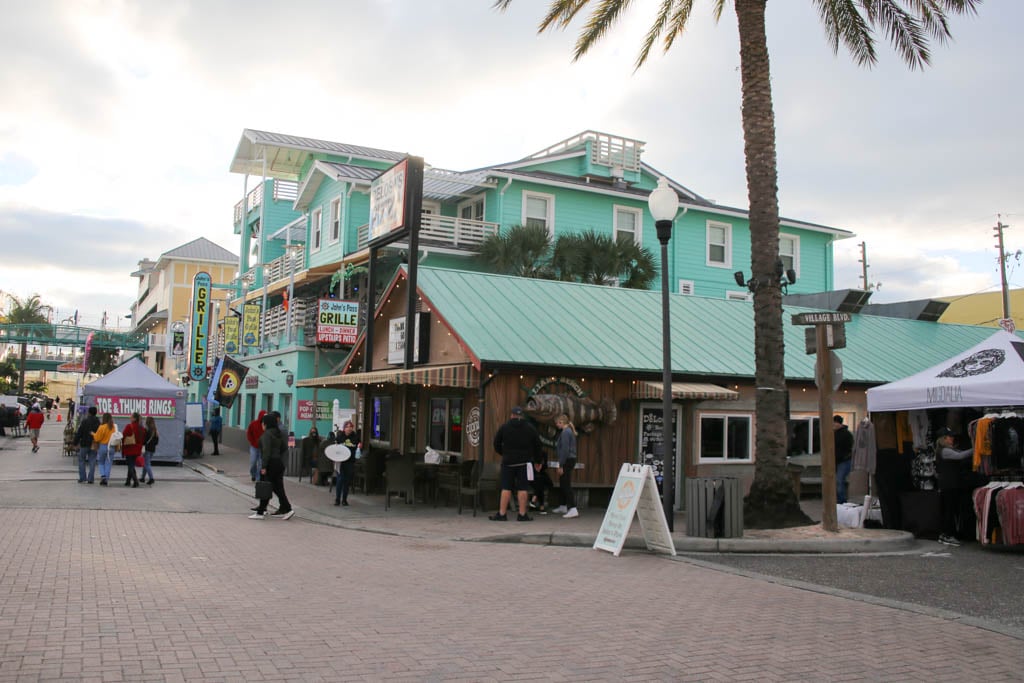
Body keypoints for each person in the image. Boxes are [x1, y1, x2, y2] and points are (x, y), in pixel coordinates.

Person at [490, 406, 543, 522]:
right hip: (524, 462)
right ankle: (522, 514)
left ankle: (502, 514)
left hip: (508, 462)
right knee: (523, 488)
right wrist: (538, 461)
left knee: (506, 487)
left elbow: (496, 443)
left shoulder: (505, 427)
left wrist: (504, 453)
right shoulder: (530, 428)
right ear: (522, 416)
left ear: (512, 415)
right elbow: (538, 446)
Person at [935, 427, 978, 547]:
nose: (952, 438)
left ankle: (947, 534)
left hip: (949, 485)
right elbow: (961, 456)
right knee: (949, 510)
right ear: (943, 439)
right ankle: (947, 535)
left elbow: (959, 453)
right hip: (948, 485)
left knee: (950, 510)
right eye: (950, 436)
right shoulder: (944, 451)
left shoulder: (947, 450)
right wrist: (976, 448)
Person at [250, 413, 294, 520]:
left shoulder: (267, 435)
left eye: (263, 423)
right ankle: (286, 508)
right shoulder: (277, 433)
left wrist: (264, 466)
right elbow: (284, 448)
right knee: (277, 487)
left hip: (270, 463)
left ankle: (261, 512)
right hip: (278, 462)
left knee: (266, 486)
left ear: (265, 424)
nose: (262, 425)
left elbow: (266, 452)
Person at [551, 414, 580, 518]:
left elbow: (564, 450)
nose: (556, 425)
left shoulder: (565, 432)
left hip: (567, 460)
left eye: (557, 423)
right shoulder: (568, 431)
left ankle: (573, 508)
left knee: (566, 483)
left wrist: (561, 464)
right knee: (563, 482)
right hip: (569, 459)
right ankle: (563, 505)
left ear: (561, 422)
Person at [334, 420, 361, 506]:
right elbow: (335, 448)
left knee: (347, 481)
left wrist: (359, 447)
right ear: (344, 428)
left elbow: (359, 448)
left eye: (350, 427)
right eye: (347, 427)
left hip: (350, 461)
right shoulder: (340, 436)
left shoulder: (355, 437)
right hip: (340, 462)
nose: (349, 428)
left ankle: (344, 499)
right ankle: (337, 499)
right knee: (340, 479)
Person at [75, 406, 100, 483]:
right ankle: (90, 478)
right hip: (94, 443)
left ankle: (82, 477)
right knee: (92, 460)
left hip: (84, 443)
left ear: (89, 412)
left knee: (81, 460)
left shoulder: (84, 421)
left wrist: (75, 442)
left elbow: (80, 432)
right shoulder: (98, 422)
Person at [93, 412, 118, 486]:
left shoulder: (102, 427)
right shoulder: (114, 427)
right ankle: (106, 478)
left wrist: (93, 434)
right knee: (108, 463)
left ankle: (103, 476)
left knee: (101, 462)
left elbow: (97, 438)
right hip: (112, 447)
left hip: (103, 446)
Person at [833, 415, 854, 504]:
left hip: (844, 461)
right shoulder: (834, 433)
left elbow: (850, 446)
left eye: (835, 422)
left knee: (839, 480)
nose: (833, 424)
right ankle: (838, 498)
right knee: (838, 480)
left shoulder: (846, 434)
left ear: (839, 423)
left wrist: (844, 456)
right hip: (837, 461)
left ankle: (841, 500)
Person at [121, 412, 145, 488]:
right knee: (131, 464)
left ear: (134, 418)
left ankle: (135, 481)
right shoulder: (142, 428)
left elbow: (123, 435)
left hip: (129, 448)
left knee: (130, 465)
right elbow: (143, 439)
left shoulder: (129, 426)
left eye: (131, 417)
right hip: (138, 449)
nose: (130, 418)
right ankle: (128, 481)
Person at [246, 410, 267, 482]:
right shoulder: (253, 424)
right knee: (253, 462)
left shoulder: (266, 425)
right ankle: (253, 474)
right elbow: (249, 433)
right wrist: (252, 441)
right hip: (254, 447)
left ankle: (258, 478)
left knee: (261, 464)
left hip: (263, 448)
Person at [141, 416, 158, 485]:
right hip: (152, 449)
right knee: (146, 463)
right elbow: (156, 442)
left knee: (147, 464)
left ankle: (151, 478)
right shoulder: (155, 431)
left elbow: (144, 441)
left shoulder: (146, 430)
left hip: (147, 449)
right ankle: (142, 478)